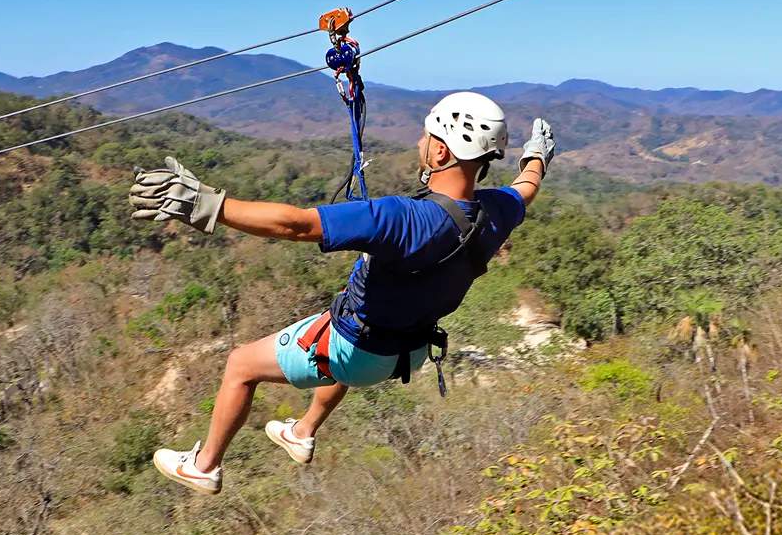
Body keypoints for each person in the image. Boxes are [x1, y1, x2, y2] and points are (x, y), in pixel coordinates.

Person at [129, 94, 555, 494]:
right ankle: (303, 431)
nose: (419, 142)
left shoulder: (403, 218)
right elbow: (528, 186)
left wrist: (208, 204)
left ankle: (203, 466)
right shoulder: (498, 210)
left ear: (441, 153)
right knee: (337, 322)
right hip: (409, 352)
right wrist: (535, 155)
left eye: (427, 136)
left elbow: (297, 224)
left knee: (241, 364)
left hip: (359, 353)